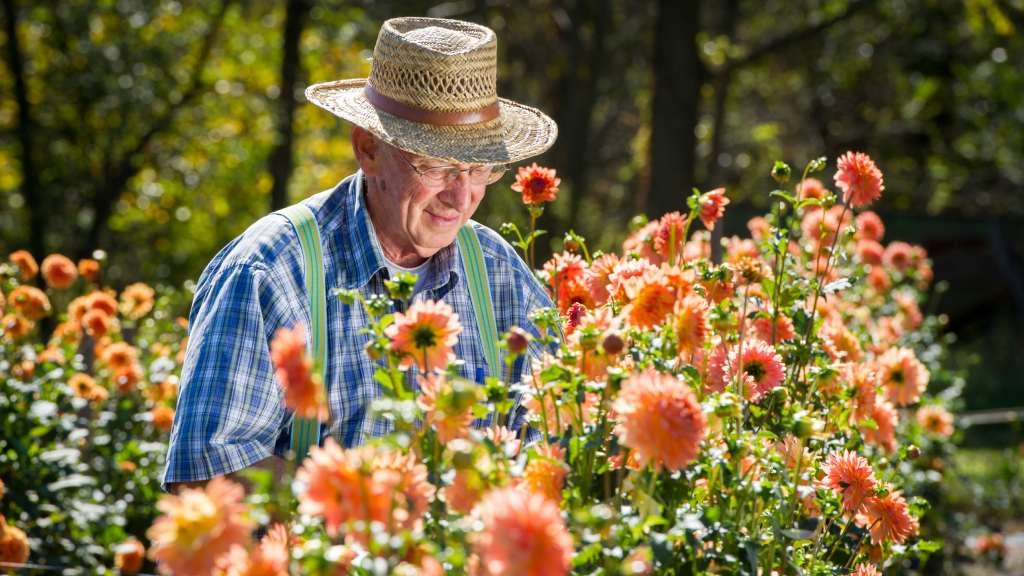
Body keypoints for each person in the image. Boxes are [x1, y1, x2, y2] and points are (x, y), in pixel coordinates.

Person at [162, 17, 558, 492]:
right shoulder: (272, 266)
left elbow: (551, 446)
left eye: (479, 170)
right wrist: (366, 506)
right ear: (368, 149)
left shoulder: (499, 273)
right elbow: (206, 473)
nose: (463, 197)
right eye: (438, 166)